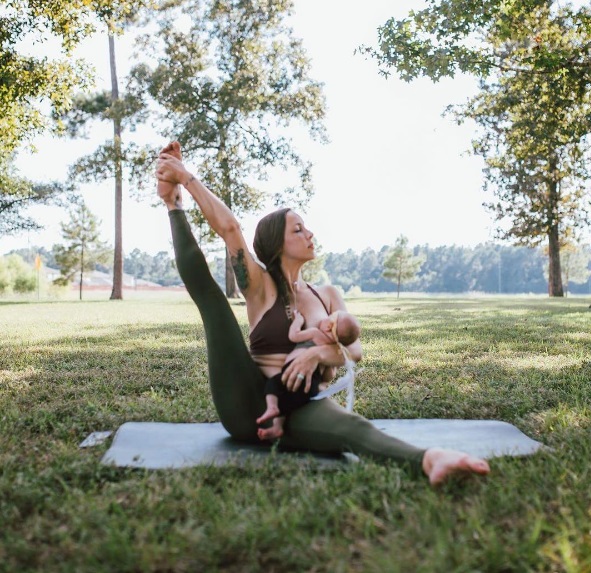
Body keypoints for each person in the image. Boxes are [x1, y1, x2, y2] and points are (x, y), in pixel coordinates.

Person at [155, 141, 490, 486]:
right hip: (246, 400)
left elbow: (355, 351)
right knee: (214, 305)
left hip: (301, 406)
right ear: (276, 244)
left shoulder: (328, 294)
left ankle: (430, 460)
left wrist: (317, 353)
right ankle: (172, 208)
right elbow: (230, 229)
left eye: (306, 227)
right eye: (297, 229)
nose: (309, 233)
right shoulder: (260, 285)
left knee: (352, 428)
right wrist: (182, 186)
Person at [256, 309, 361, 440]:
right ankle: (277, 428)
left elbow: (293, 336)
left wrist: (298, 321)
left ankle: (272, 407)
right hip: (312, 384)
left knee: (274, 384)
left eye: (329, 317)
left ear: (328, 326)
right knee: (289, 402)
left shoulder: (315, 333)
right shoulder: (333, 348)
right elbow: (328, 376)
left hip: (294, 370)